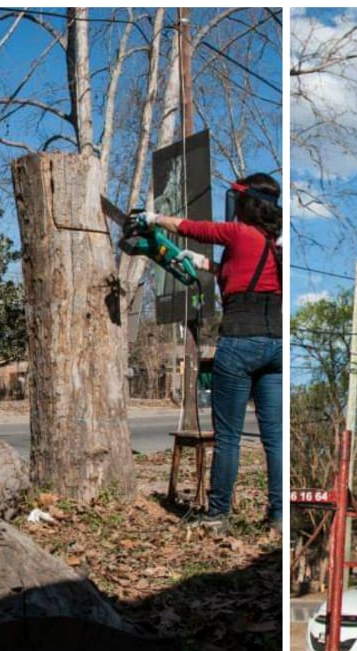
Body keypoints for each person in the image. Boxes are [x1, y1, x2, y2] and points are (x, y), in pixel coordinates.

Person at [143, 173, 282, 533]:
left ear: (245, 203)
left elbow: (193, 228)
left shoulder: (238, 233)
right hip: (276, 346)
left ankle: (219, 515)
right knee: (274, 438)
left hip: (240, 342)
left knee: (229, 437)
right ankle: (279, 517)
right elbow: (248, 277)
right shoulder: (274, 245)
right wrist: (209, 266)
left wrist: (154, 219)